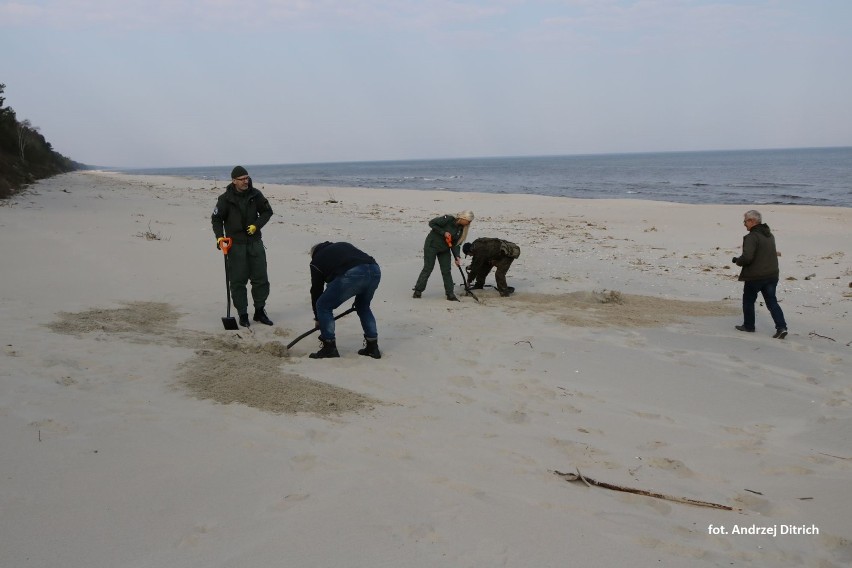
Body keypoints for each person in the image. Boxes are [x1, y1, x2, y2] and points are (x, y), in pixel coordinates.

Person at [211, 166, 274, 328]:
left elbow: (267, 212)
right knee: (238, 281)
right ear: (234, 181)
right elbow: (216, 219)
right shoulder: (225, 199)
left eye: (247, 178)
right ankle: (243, 314)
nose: (246, 181)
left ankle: (260, 311)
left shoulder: (256, 194)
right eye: (242, 179)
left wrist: (256, 225)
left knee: (260, 279)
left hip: (255, 244)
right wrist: (220, 238)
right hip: (235, 246)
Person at [309, 241, 382, 359]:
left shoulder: (316, 261)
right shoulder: (343, 245)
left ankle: (329, 348)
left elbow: (316, 290)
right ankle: (372, 347)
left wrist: (318, 317)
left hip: (352, 273)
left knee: (323, 305)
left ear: (314, 253)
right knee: (363, 306)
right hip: (374, 270)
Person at [732, 210, 788, 339]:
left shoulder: (751, 237)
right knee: (772, 302)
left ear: (752, 221)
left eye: (745, 221)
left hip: (756, 276)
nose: (744, 224)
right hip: (772, 274)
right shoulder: (769, 235)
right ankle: (782, 327)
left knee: (748, 300)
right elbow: (767, 253)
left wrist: (737, 261)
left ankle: (749, 326)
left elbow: (747, 257)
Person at [412, 210, 474, 301]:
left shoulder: (461, 229)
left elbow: (456, 244)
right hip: (432, 245)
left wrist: (457, 256)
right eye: (469, 221)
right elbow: (432, 223)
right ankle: (418, 291)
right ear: (464, 218)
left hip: (444, 249)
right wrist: (443, 232)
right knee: (428, 268)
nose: (469, 223)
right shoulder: (448, 219)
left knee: (446, 270)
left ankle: (450, 294)